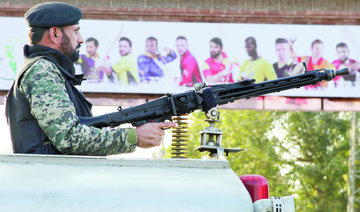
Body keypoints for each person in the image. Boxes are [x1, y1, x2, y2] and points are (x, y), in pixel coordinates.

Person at [5, 2, 176, 155]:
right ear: (55, 34)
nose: (80, 39)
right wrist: (134, 136)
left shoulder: (48, 69)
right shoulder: (42, 71)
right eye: (75, 31)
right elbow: (69, 138)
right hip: (48, 183)